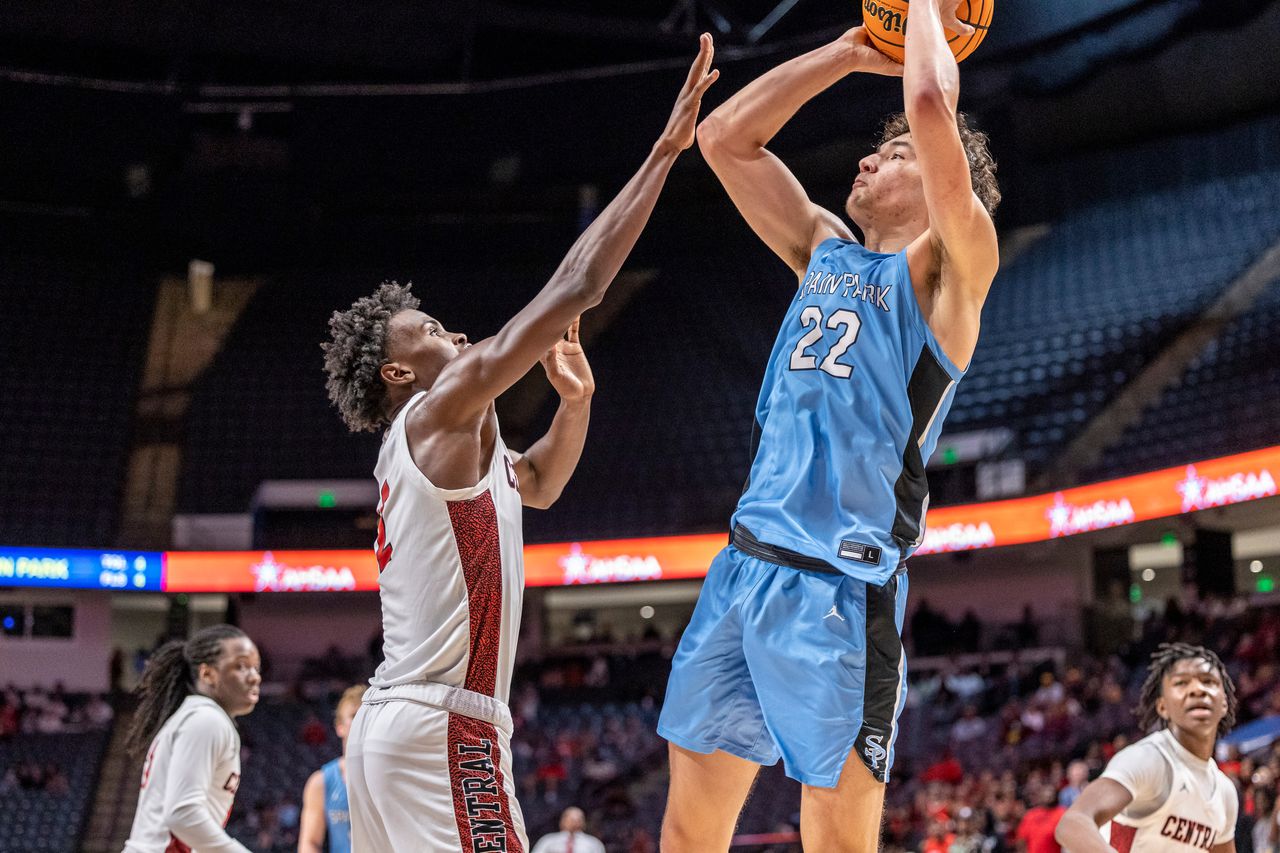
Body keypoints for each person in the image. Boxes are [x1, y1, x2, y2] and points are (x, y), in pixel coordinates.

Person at [321, 37, 718, 853]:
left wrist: (576, 404)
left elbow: (536, 484)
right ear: (400, 368)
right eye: (428, 327)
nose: (450, 328)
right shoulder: (436, 413)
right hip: (443, 726)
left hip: (395, 727)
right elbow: (579, 285)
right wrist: (663, 152)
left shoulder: (450, 445)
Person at [657, 0, 1000, 849]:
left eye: (890, 158)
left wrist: (923, 9)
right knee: (688, 832)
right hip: (743, 567)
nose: (866, 158)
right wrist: (850, 50)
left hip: (841, 592)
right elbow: (725, 139)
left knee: (838, 840)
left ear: (941, 179)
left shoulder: (951, 272)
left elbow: (927, 109)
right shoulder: (823, 248)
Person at [1056, 642, 1240, 852]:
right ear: (1162, 706)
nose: (1197, 690)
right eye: (1182, 683)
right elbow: (1073, 823)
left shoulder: (1224, 792)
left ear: (1224, 703)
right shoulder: (1149, 759)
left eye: (1208, 681)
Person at [122, 624, 262, 853]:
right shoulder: (206, 720)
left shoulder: (197, 716)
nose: (255, 677)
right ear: (207, 674)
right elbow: (182, 814)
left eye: (256, 668)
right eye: (242, 666)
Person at [298, 684, 366, 853]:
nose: (361, 721)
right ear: (339, 727)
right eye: (354, 715)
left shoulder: (391, 775)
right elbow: (309, 843)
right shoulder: (321, 781)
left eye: (366, 716)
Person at [531, 806, 606, 853]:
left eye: (578, 819)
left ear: (584, 823)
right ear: (562, 822)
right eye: (571, 819)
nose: (574, 823)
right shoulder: (548, 840)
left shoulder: (593, 843)